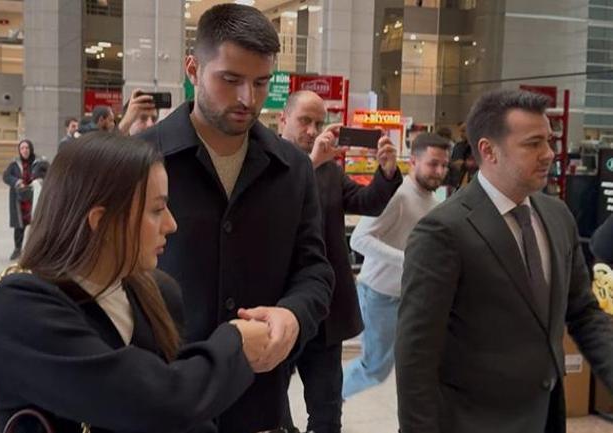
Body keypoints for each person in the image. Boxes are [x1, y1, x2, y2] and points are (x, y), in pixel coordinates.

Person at [0, 132, 270, 433]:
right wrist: (236, 345)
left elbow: (187, 419)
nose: (171, 224)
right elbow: (153, 400)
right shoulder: (19, 308)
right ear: (101, 221)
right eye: (156, 210)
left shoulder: (157, 292)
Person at [139, 5, 334, 432]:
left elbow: (315, 270)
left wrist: (293, 315)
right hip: (162, 402)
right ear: (193, 69)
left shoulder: (293, 169)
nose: (248, 98)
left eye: (261, 83)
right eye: (230, 80)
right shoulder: (139, 160)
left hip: (258, 401)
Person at [395, 89, 613, 433]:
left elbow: (583, 312)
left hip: (544, 418)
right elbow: (416, 353)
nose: (548, 154)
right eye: (533, 144)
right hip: (473, 422)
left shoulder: (557, 217)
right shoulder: (443, 231)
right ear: (488, 150)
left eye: (549, 141)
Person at [278, 90, 401, 433]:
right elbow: (269, 213)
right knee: (272, 413)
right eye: (305, 121)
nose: (312, 130)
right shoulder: (267, 164)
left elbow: (366, 202)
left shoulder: (330, 171)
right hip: (278, 305)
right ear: (283, 120)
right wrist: (311, 164)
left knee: (328, 412)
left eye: (319, 123)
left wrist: (387, 173)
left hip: (325, 310)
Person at [341, 133, 449, 400]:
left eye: (444, 165)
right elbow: (359, 239)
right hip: (380, 296)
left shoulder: (434, 203)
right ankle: (329, 400)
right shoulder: (397, 195)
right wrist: (408, 259)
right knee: (374, 369)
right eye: (433, 164)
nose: (439, 171)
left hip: (410, 297)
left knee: (420, 363)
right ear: (413, 161)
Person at [3, 139, 37, 261]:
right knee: (19, 226)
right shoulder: (14, 163)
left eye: (27, 148)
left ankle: (34, 251)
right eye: (22, 148)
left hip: (33, 199)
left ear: (31, 149)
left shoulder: (38, 162)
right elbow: (6, 176)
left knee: (36, 225)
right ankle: (17, 249)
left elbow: (46, 174)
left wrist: (37, 181)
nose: (25, 150)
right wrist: (17, 182)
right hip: (19, 201)